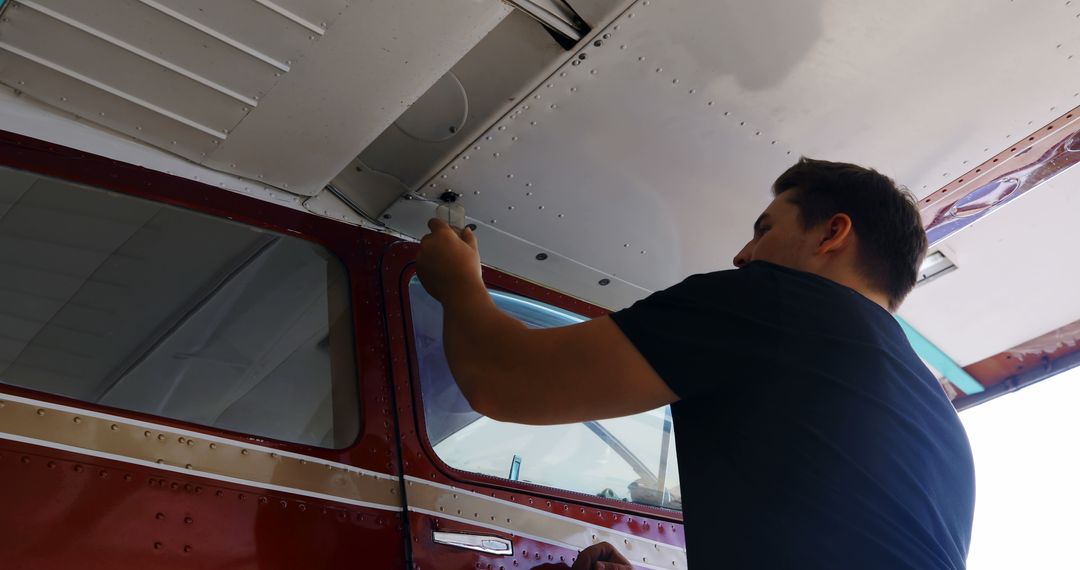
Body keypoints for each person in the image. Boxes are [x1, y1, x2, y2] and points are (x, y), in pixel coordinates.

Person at [416, 158, 976, 569]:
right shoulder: (942, 424)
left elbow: (506, 380)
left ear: (832, 233)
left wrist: (458, 284)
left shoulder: (776, 302)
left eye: (764, 230)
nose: (742, 255)